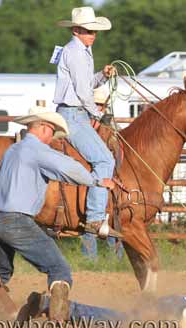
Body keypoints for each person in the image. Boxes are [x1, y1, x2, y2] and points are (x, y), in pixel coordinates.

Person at [0, 107, 112, 322]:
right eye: (52, 132)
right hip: (17, 221)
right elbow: (68, 168)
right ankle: (58, 320)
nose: (53, 137)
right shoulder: (38, 151)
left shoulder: (13, 151)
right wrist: (98, 181)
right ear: (43, 128)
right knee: (59, 268)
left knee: (1, 271)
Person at [17, 268, 186, 328]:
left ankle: (53, 305)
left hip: (177, 303)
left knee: (123, 322)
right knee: (122, 324)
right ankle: (54, 306)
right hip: (183, 313)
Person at [54, 6, 120, 239]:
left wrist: (102, 75)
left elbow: (84, 84)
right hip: (74, 115)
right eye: (87, 30)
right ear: (76, 30)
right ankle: (94, 218)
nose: (93, 34)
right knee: (104, 159)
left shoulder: (79, 51)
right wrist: (97, 114)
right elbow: (83, 92)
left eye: (94, 31)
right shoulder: (76, 52)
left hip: (75, 112)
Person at [81, 85, 124, 261]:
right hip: (89, 179)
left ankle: (115, 259)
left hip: (105, 181)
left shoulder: (109, 132)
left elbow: (118, 156)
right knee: (92, 216)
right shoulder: (83, 128)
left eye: (100, 105)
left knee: (110, 216)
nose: (98, 108)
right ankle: (90, 259)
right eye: (95, 104)